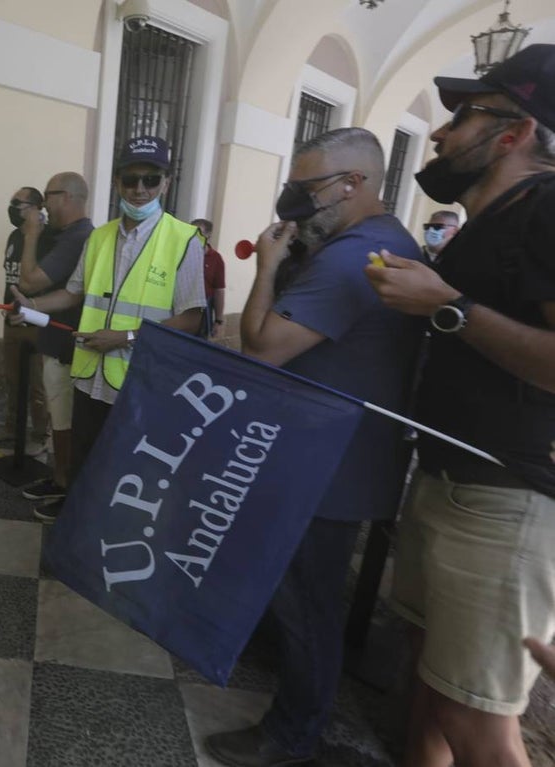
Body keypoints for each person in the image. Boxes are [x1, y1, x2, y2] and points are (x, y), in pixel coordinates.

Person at [205, 127, 425, 767]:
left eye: (308, 189)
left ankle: (292, 737)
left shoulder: (356, 255)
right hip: (331, 457)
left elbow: (265, 346)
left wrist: (268, 269)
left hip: (327, 468)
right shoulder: (376, 241)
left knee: (310, 606)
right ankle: (290, 693)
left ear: (354, 184)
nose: (294, 204)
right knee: (303, 599)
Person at [364, 44, 555, 767]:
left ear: (515, 132)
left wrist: (444, 305)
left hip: (508, 498)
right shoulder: (494, 219)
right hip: (452, 480)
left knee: (480, 720)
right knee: (435, 688)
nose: (439, 134)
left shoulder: (547, 206)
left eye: (462, 114)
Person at [12, 136, 205, 522]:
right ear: (117, 182)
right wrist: (30, 306)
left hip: (139, 381)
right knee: (85, 459)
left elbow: (190, 318)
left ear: (165, 183)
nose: (139, 189)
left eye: (151, 179)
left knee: (128, 470)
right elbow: (71, 294)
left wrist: (126, 337)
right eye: (131, 179)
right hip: (88, 376)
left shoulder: (184, 240)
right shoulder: (99, 237)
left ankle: (111, 541)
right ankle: (75, 535)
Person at [13, 172, 94, 505]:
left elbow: (30, 282)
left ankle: (68, 488)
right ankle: (60, 478)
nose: (43, 204)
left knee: (66, 422)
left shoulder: (78, 238)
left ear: (69, 197)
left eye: (48, 195)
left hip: (68, 348)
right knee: (59, 420)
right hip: (56, 343)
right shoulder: (64, 236)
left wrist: (31, 234)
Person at [0, 187, 51, 448]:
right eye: (11, 202)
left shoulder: (47, 239)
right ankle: (12, 428)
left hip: (35, 321)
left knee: (36, 383)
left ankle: (40, 433)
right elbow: (11, 275)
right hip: (11, 318)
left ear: (35, 208)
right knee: (13, 379)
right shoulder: (13, 236)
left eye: (17, 203)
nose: (12, 208)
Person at [191, 218, 227, 338]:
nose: (194, 235)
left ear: (208, 235)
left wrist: (218, 321)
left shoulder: (216, 259)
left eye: (198, 232)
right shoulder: (181, 253)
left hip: (203, 310)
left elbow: (219, 291)